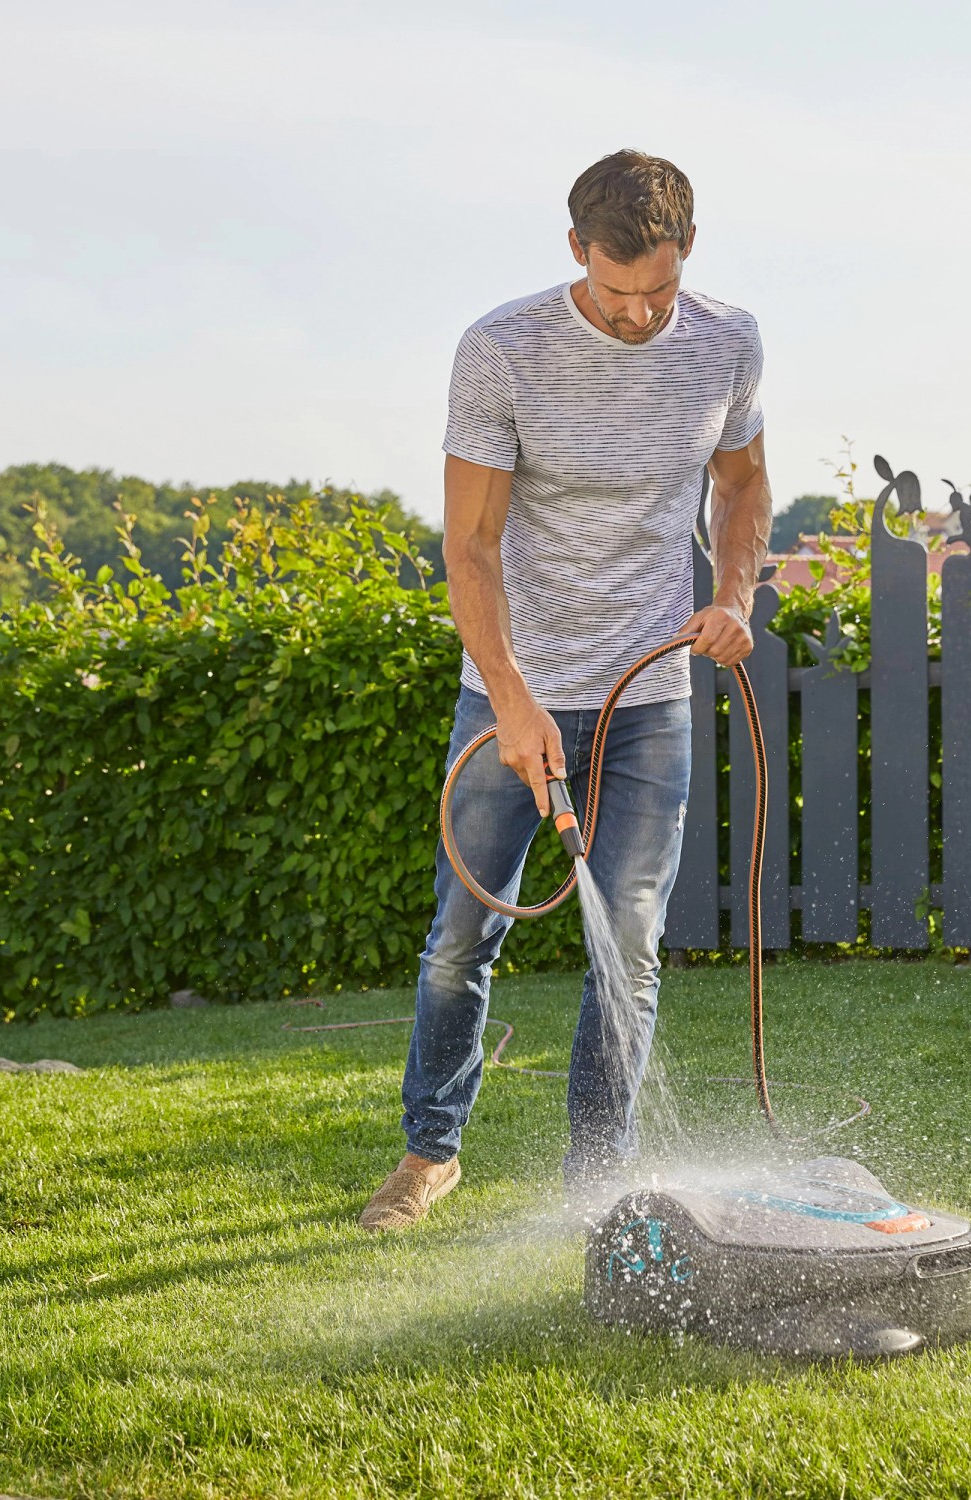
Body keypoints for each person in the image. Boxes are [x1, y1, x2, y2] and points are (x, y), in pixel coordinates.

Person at [359, 149, 772, 1231]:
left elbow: (741, 486)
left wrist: (734, 595)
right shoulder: (501, 350)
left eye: (662, 292)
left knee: (627, 947)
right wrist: (510, 695)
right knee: (462, 937)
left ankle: (598, 1183)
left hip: (651, 696)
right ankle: (429, 1154)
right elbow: (473, 547)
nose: (640, 316)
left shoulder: (728, 341)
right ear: (576, 250)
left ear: (690, 257)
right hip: (513, 694)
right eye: (618, 291)